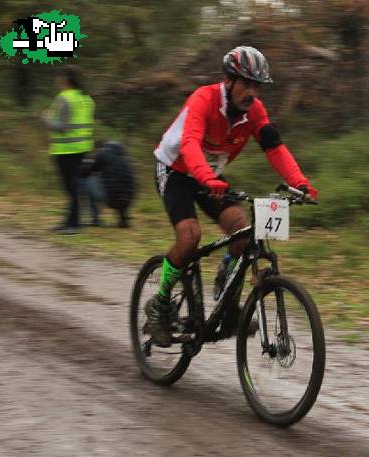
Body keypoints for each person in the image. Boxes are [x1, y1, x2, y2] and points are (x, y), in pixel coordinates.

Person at [148, 46, 318, 347]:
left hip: (210, 175)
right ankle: (160, 304)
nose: (252, 92)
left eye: (257, 86)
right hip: (176, 169)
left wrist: (300, 184)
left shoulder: (254, 112)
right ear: (229, 80)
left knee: (241, 231)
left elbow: (274, 148)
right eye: (247, 84)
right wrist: (205, 177)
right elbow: (189, 143)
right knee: (189, 237)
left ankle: (228, 306)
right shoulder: (204, 98)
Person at [42, 65, 97, 234]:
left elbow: (62, 126)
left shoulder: (64, 98)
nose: (57, 80)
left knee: (71, 187)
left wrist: (45, 119)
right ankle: (71, 221)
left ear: (66, 79)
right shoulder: (86, 98)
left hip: (65, 149)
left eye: (59, 77)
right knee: (75, 185)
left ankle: (73, 223)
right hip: (83, 147)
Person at [79, 140, 136, 228]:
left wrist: (84, 164)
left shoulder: (103, 154)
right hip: (129, 200)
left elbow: (87, 171)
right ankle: (123, 219)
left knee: (89, 180)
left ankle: (95, 219)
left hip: (111, 199)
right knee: (121, 185)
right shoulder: (125, 158)